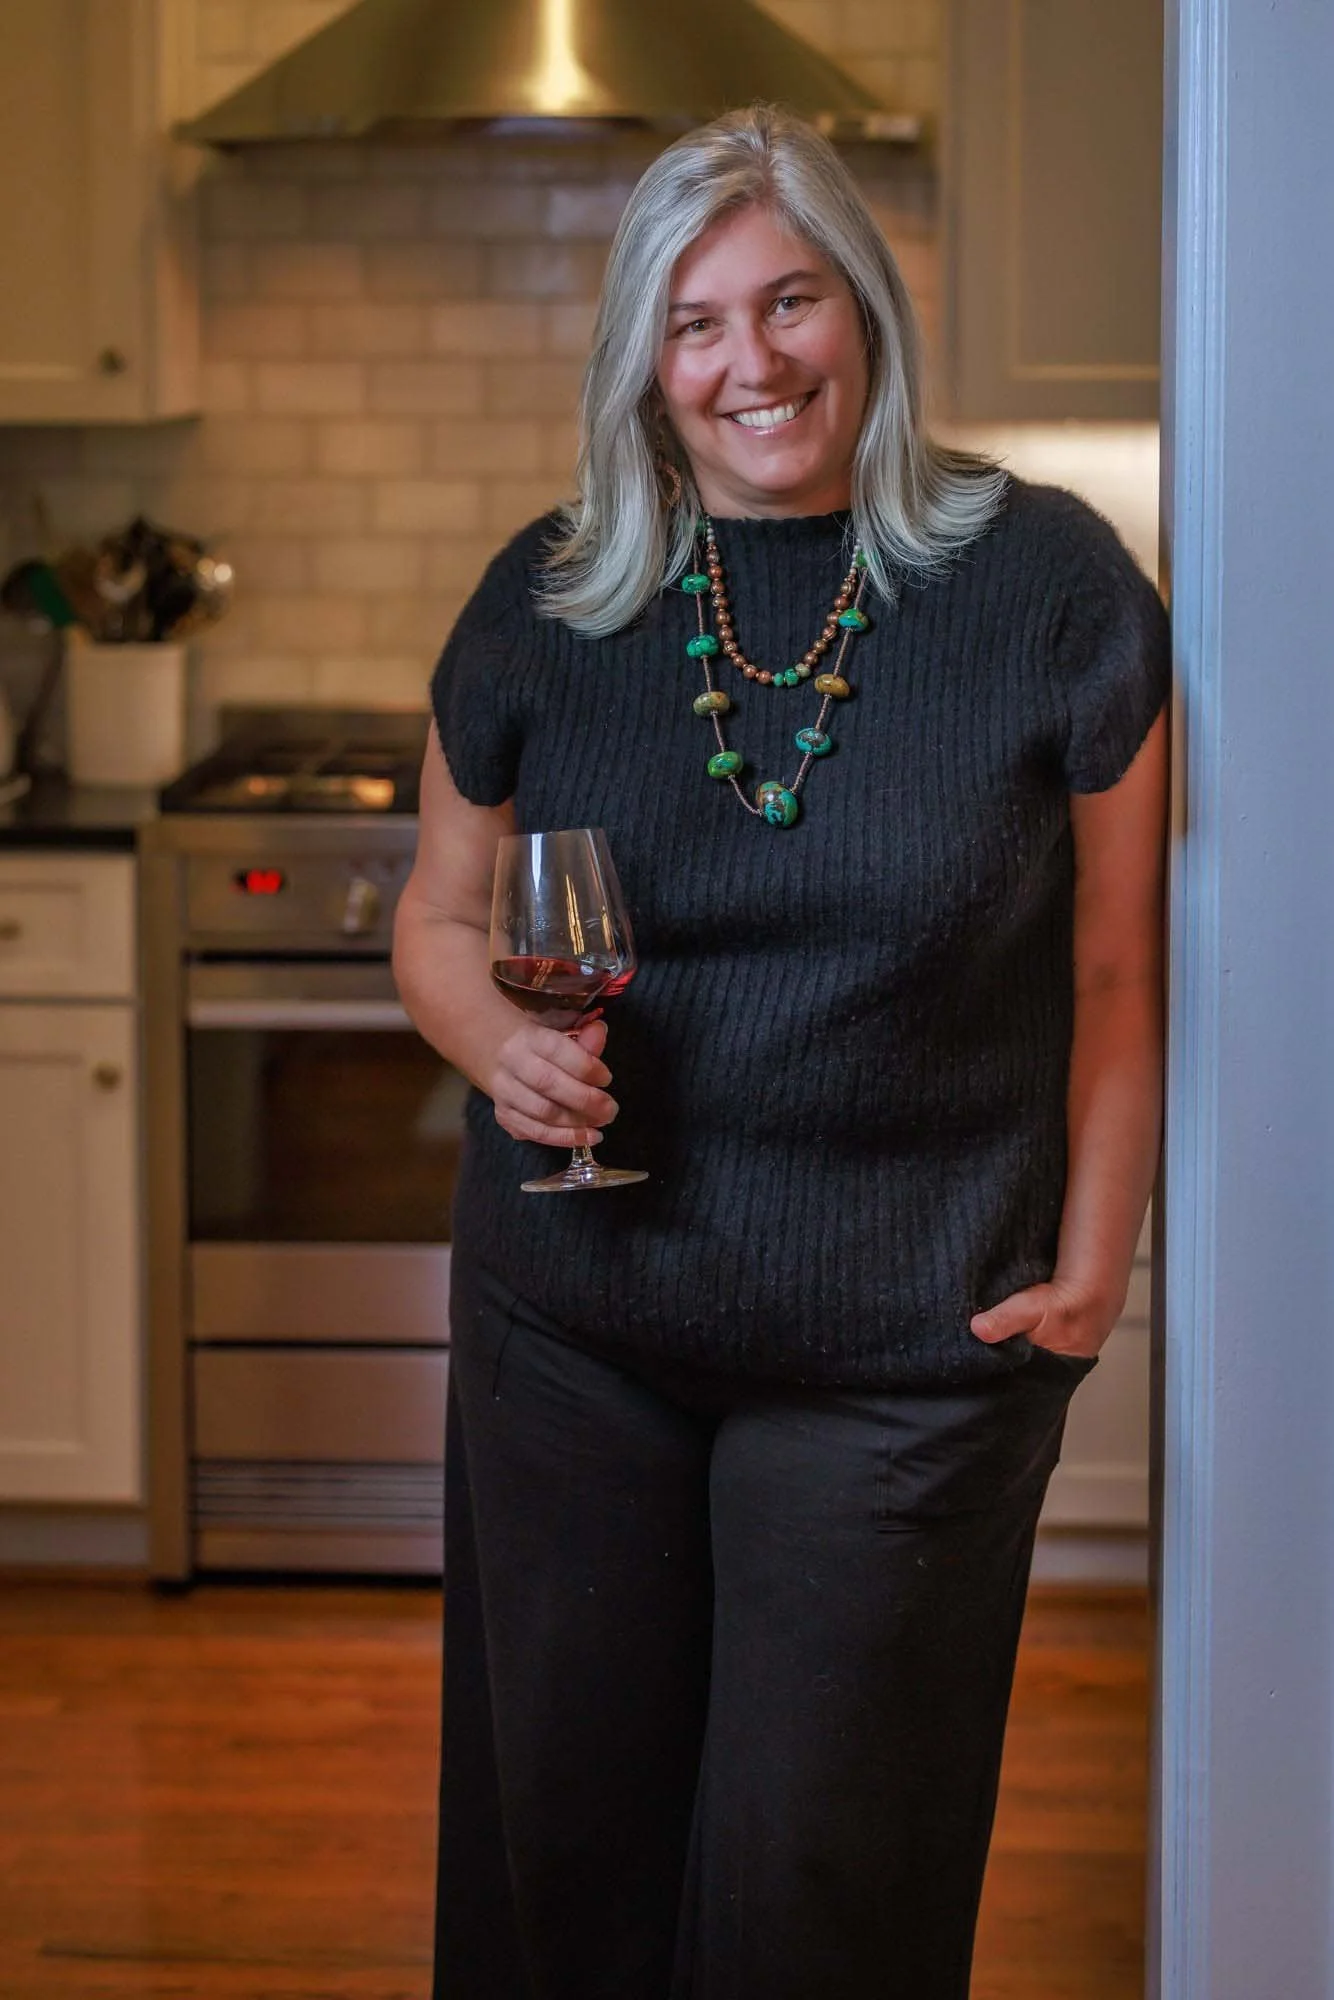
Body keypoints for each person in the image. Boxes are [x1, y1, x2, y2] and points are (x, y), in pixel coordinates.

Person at [393, 104, 1170, 2000]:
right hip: (574, 1323)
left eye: (788, 302)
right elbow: (434, 914)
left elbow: (1122, 969)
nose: (752, 364)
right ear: (643, 372)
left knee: (824, 1891)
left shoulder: (1049, 588)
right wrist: (501, 1042)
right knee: (565, 1865)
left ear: (864, 311)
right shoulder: (554, 593)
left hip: (902, 1345)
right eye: (695, 326)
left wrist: (1094, 1267)